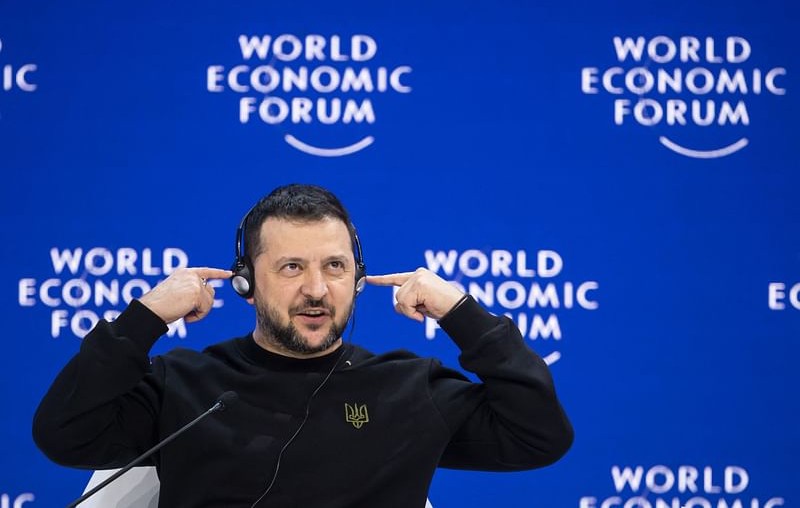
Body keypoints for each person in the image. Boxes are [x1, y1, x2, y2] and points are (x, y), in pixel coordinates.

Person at [33, 184, 573, 508]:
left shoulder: (409, 387)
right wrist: (145, 317)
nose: (317, 288)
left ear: (358, 277)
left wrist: (463, 314)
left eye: (334, 266)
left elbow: (538, 436)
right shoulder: (185, 385)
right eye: (291, 267)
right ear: (245, 283)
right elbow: (65, 435)